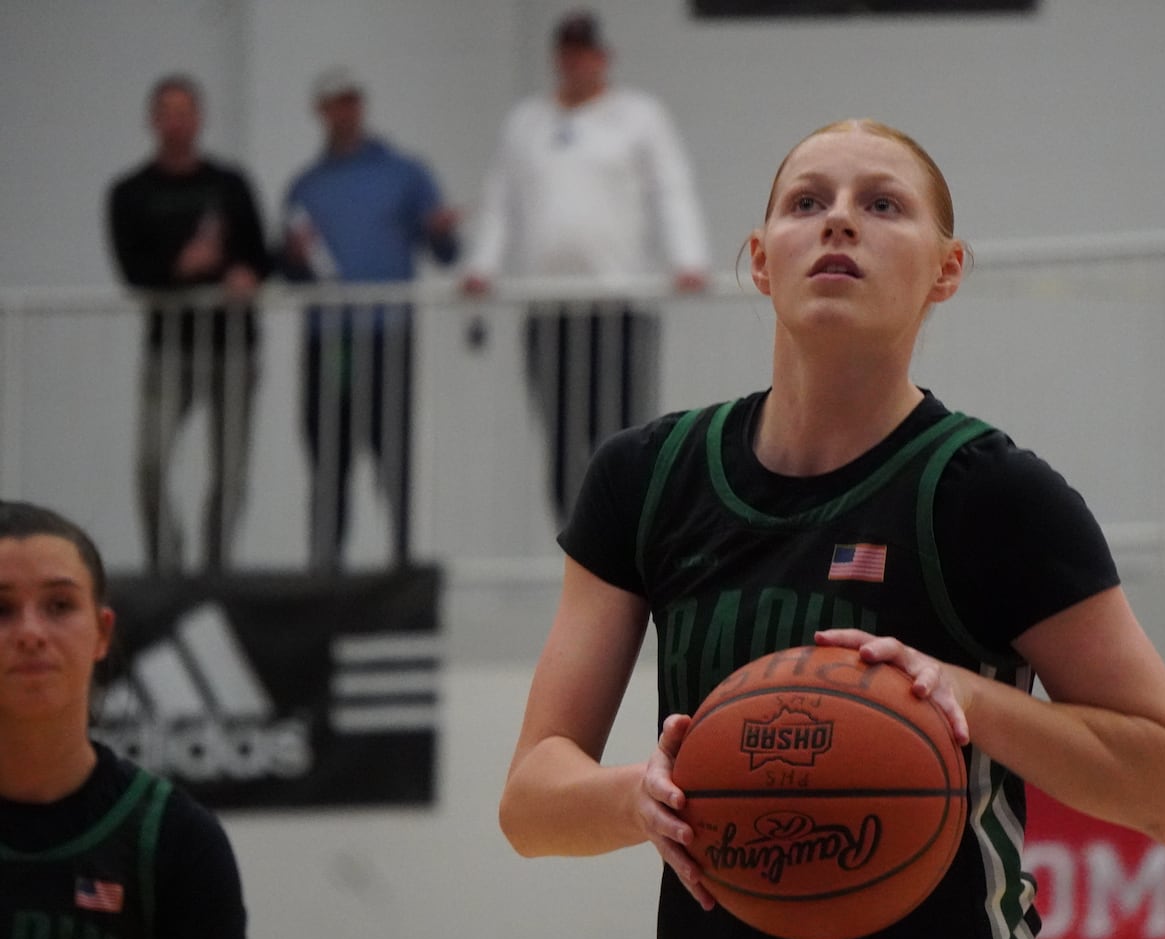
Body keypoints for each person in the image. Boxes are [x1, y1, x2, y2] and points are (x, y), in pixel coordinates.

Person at [498, 119, 1165, 939]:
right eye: (808, 202)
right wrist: (643, 798)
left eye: (882, 204)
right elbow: (530, 799)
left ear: (947, 269)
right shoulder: (646, 477)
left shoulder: (994, 496)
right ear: (759, 259)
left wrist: (970, 698)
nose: (840, 222)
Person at [0, 500, 253, 939]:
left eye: (59, 605)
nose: (31, 633)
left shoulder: (174, 837)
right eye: (2, 609)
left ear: (100, 631)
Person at [462, 8, 711, 522]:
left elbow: (671, 189)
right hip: (548, 311)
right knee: (560, 439)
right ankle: (575, 559)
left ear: (603, 58)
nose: (575, 64)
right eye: (567, 54)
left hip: (618, 304)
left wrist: (688, 257)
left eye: (585, 53)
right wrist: (481, 265)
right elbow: (499, 200)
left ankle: (627, 556)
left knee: (622, 436)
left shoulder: (639, 116)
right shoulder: (526, 123)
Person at [281, 66, 461, 568]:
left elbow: (445, 251)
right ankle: (325, 568)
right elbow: (292, 272)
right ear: (321, 111)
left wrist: (441, 230)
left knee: (394, 456)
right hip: (327, 339)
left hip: (388, 335)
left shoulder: (404, 173)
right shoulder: (305, 186)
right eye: (337, 102)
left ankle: (402, 564)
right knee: (327, 459)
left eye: (353, 100)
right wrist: (292, 258)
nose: (347, 110)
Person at [106, 74, 272, 574]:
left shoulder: (229, 184)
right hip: (169, 347)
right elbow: (134, 271)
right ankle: (166, 562)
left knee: (231, 470)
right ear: (153, 121)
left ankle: (215, 566)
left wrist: (245, 273)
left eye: (186, 111)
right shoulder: (130, 192)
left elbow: (261, 256)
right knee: (151, 463)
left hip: (233, 345)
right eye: (168, 112)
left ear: (199, 119)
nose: (177, 122)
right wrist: (183, 269)